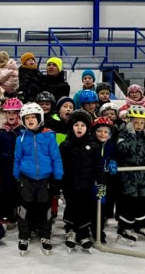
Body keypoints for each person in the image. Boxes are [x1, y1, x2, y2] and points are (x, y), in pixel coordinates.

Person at [13, 101, 63, 255]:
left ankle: (45, 235)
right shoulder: (20, 138)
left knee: (44, 208)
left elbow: (56, 157)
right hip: (26, 178)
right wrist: (16, 176)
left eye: (33, 117)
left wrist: (58, 176)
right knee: (25, 209)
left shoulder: (48, 136)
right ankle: (24, 235)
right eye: (27, 118)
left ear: (40, 118)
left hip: (45, 179)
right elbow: (17, 158)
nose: (30, 120)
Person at [114, 105, 145, 241]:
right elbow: (124, 149)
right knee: (130, 201)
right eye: (135, 122)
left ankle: (140, 225)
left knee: (143, 200)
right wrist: (132, 135)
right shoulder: (123, 134)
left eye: (142, 122)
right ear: (129, 122)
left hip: (144, 175)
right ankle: (125, 227)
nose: (139, 125)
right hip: (129, 175)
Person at [59, 110, 100, 252]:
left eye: (83, 125)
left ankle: (83, 234)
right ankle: (70, 231)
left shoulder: (93, 146)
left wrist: (102, 183)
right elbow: (60, 166)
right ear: (72, 127)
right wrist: (59, 184)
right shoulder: (65, 145)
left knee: (84, 209)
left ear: (87, 128)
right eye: (76, 125)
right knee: (71, 208)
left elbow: (98, 166)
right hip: (69, 185)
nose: (79, 128)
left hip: (86, 186)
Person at [0, 98, 23, 225]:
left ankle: (14, 213)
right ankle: (4, 214)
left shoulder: (23, 131)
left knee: (16, 192)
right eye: (9, 113)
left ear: (19, 114)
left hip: (19, 168)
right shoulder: (2, 133)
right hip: (5, 169)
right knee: (4, 191)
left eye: (14, 113)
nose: (11, 115)